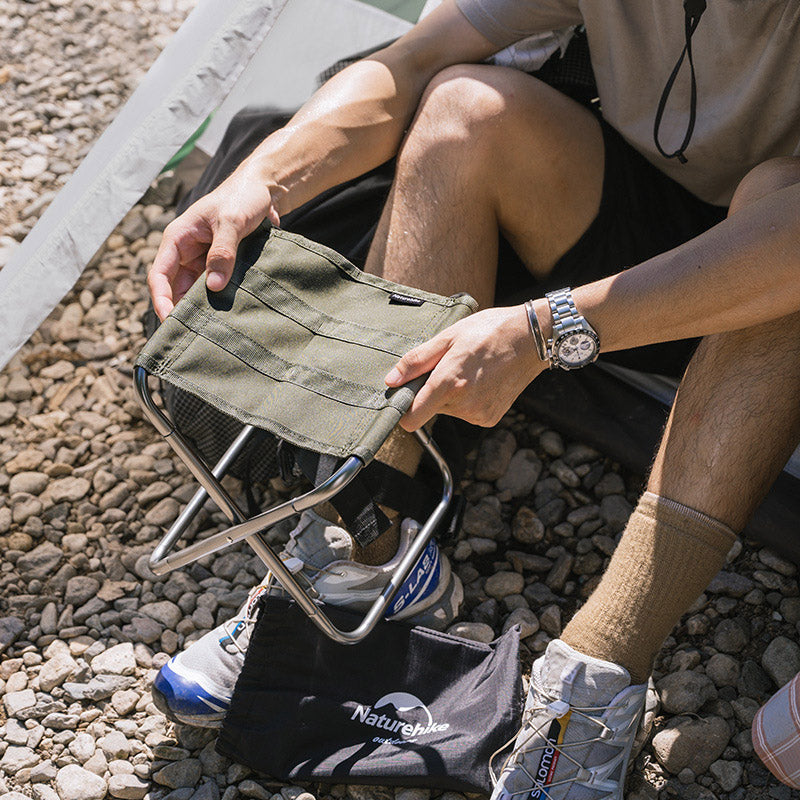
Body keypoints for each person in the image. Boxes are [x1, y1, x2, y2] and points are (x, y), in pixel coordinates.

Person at [146, 1, 800, 796]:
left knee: (783, 206)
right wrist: (261, 177)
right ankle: (371, 549)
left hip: (779, 263)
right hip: (661, 210)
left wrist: (547, 330)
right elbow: (418, 55)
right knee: (466, 106)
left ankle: (597, 678)